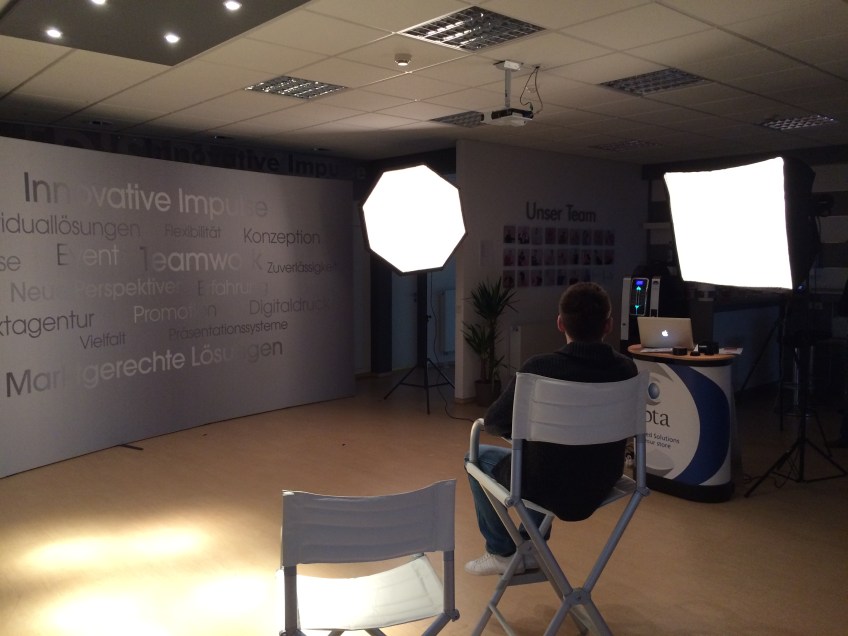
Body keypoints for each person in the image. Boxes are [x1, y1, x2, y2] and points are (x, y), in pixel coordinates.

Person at [464, 281, 637, 576]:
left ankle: (501, 550)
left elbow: (493, 422)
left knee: (475, 457)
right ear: (608, 325)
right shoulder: (626, 369)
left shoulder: (538, 369)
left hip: (545, 483)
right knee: (544, 457)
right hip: (601, 480)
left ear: (560, 323)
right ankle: (533, 546)